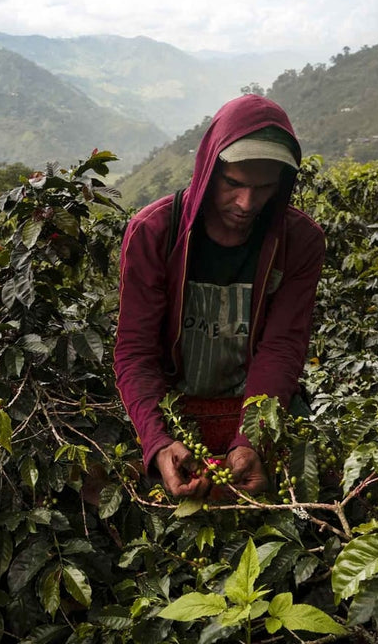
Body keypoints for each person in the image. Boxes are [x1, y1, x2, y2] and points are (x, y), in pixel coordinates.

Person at [113, 94, 325, 499]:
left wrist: (251, 440)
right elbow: (135, 351)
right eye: (233, 184)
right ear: (210, 169)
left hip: (256, 404)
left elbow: (281, 348)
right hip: (172, 405)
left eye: (264, 188)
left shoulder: (300, 242)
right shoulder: (154, 233)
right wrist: (158, 442)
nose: (247, 204)